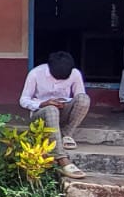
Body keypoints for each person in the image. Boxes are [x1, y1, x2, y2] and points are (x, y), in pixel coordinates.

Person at [17, 51, 90, 179]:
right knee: (51, 109)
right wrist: (43, 103)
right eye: (56, 77)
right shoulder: (35, 73)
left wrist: (65, 102)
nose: (58, 80)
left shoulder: (75, 74)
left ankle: (66, 134)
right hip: (41, 114)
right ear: (49, 67)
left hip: (62, 112)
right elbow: (23, 100)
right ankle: (62, 158)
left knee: (84, 99)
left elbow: (79, 96)